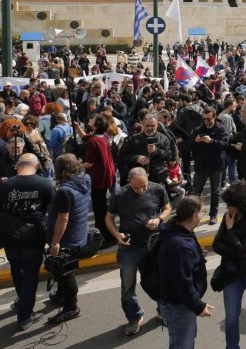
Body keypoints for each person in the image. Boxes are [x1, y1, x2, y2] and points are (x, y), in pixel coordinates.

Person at [0, 153, 53, 328]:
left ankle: (22, 302)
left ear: (17, 166)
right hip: (34, 237)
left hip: (10, 238)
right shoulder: (45, 184)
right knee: (31, 274)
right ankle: (25, 314)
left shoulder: (4, 186)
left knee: (17, 270)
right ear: (37, 166)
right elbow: (53, 212)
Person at [106, 167, 171, 336]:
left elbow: (167, 208)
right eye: (136, 188)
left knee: (159, 281)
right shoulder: (119, 195)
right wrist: (116, 235)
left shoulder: (158, 188)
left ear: (148, 178)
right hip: (129, 248)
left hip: (153, 245)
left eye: (144, 186)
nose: (141, 190)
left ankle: (163, 311)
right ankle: (134, 317)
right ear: (129, 182)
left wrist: (159, 219)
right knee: (127, 286)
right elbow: (109, 218)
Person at [212, 181, 246, 349]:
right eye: (227, 205)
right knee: (231, 316)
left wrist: (229, 232)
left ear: (243, 205)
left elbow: (240, 248)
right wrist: (239, 252)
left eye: (231, 205)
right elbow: (216, 245)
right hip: (233, 272)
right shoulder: (228, 217)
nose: (228, 208)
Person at [158, 196, 213, 349]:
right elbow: (182, 281)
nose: (204, 214)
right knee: (183, 344)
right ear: (194, 215)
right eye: (203, 211)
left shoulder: (181, 231)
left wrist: (196, 255)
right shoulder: (180, 245)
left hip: (180, 304)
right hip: (179, 306)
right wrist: (198, 306)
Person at [46, 153, 93, 324]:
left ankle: (71, 308)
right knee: (63, 272)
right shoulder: (85, 179)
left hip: (67, 239)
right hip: (78, 234)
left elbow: (63, 218)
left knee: (66, 274)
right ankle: (60, 295)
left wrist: (55, 243)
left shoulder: (64, 191)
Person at [83, 116, 118, 246]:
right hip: (105, 176)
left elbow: (90, 163)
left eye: (91, 120)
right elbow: (86, 136)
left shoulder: (93, 142)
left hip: (97, 178)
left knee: (99, 208)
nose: (89, 121)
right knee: (101, 206)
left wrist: (75, 165)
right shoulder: (103, 137)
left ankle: (106, 235)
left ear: (96, 126)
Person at [191, 106, 228, 225]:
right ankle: (195, 215)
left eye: (209, 119)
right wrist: (195, 142)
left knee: (215, 192)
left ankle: (213, 215)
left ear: (214, 117)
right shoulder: (198, 129)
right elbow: (188, 147)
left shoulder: (221, 129)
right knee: (196, 192)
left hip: (215, 166)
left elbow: (225, 145)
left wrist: (211, 141)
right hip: (201, 166)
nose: (206, 121)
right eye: (204, 119)